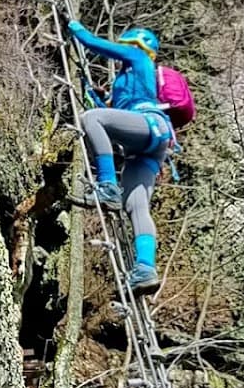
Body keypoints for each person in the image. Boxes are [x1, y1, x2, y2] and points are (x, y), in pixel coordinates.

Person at [67, 19, 174, 295]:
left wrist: (76, 28)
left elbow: (95, 44)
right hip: (151, 142)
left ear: (134, 44)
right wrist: (95, 96)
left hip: (148, 125)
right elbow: (116, 117)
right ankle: (145, 269)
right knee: (136, 206)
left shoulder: (138, 56)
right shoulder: (132, 78)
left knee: (91, 119)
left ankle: (106, 186)